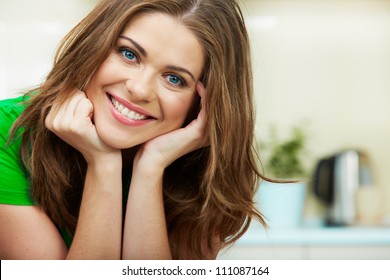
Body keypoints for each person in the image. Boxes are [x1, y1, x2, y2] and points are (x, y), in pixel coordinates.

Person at [0, 0, 266, 260]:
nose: (139, 89)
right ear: (94, 46)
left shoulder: (208, 173)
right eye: (129, 54)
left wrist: (150, 167)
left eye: (174, 79)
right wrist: (103, 163)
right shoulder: (6, 131)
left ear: (203, 103)